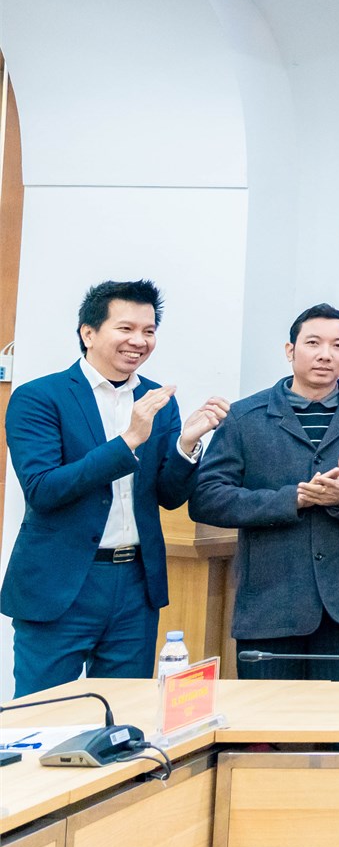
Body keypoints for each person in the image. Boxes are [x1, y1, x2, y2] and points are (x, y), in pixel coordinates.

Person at [1, 281, 229, 695]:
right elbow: (43, 489)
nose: (139, 341)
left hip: (135, 584)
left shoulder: (157, 399)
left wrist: (186, 445)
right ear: (88, 333)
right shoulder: (39, 397)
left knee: (125, 711)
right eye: (126, 328)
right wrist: (127, 442)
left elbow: (169, 496)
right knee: (42, 713)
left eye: (149, 331)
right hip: (60, 583)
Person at [193, 303, 339, 680]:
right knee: (267, 714)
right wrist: (292, 499)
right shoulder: (244, 417)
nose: (325, 354)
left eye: (338, 346)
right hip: (269, 602)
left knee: (338, 716)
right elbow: (207, 499)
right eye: (313, 342)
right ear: (290, 350)